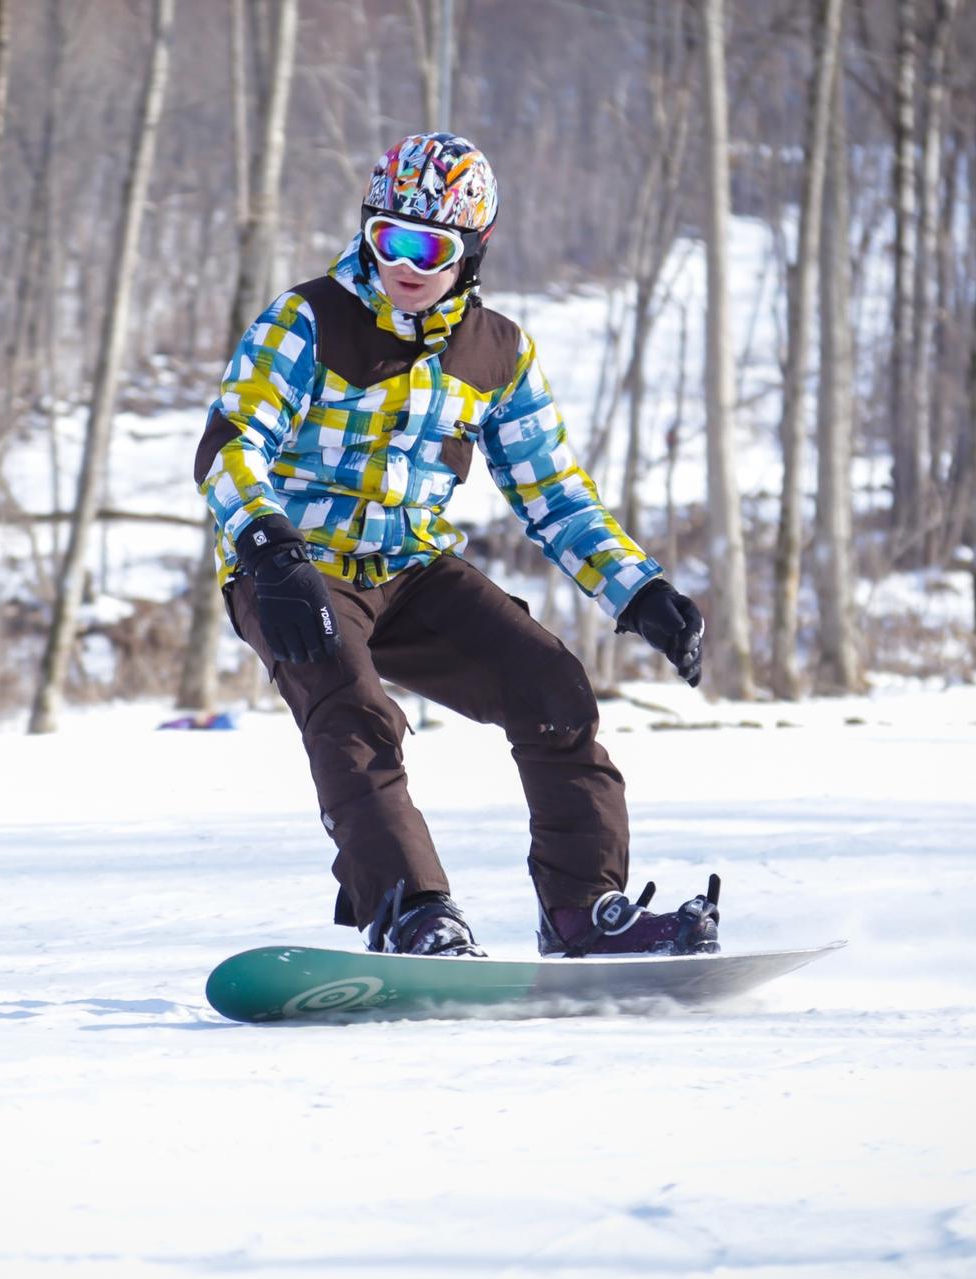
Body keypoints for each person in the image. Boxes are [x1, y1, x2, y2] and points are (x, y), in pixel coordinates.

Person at [193, 131, 714, 960]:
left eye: (428, 246)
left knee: (553, 688)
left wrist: (637, 590)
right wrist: (266, 545)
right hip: (295, 570)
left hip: (411, 570)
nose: (404, 262)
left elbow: (552, 492)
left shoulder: (498, 353)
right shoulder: (307, 321)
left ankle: (582, 909)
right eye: (386, 237)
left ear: (472, 251)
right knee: (354, 713)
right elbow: (229, 445)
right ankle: (414, 912)